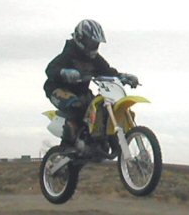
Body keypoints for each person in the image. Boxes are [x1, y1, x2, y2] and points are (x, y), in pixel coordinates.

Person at [43, 19, 139, 148]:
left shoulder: (95, 59)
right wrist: (63, 72)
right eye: (90, 42)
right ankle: (68, 145)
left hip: (82, 92)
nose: (93, 46)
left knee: (99, 108)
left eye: (96, 43)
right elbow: (50, 69)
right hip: (58, 89)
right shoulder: (68, 55)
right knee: (76, 106)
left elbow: (108, 72)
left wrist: (123, 77)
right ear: (80, 39)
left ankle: (97, 140)